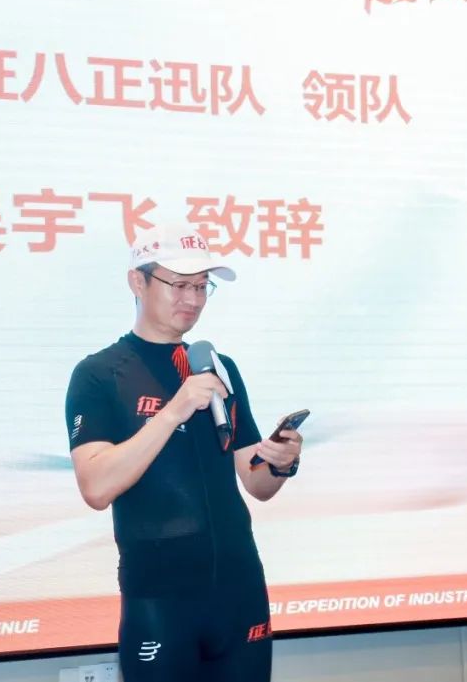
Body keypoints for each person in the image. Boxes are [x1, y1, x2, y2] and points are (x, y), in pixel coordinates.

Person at [65, 223, 303, 682]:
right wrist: (173, 410)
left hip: (239, 587)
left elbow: (255, 482)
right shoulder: (100, 374)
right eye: (178, 285)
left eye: (201, 286)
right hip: (160, 598)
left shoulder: (218, 367)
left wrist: (280, 462)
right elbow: (96, 487)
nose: (192, 299)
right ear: (138, 282)